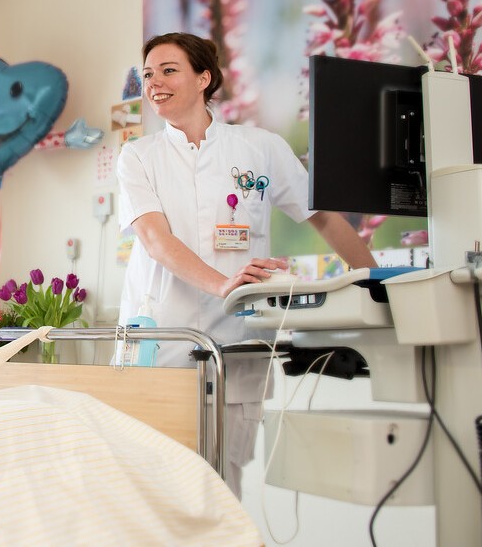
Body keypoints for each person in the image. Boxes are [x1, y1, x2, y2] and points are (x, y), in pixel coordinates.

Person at [115, 32, 376, 497]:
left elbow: (325, 219)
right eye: (148, 74)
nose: (154, 82)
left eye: (168, 70)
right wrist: (225, 284)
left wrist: (375, 286)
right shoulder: (138, 156)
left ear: (204, 78)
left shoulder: (260, 148)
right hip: (161, 339)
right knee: (153, 485)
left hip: (238, 345)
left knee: (224, 484)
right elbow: (156, 240)